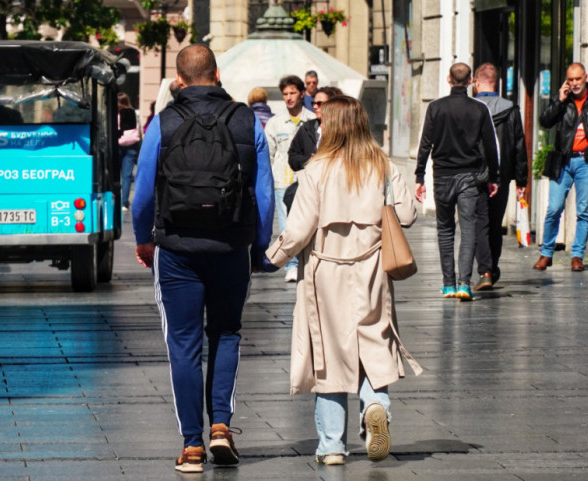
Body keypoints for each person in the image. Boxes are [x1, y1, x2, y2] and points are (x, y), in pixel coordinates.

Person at [131, 44, 275, 473]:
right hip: (231, 246)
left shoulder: (163, 123)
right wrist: (259, 245)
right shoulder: (246, 120)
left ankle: (192, 445)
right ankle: (222, 428)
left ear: (179, 80)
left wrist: (144, 239)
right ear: (216, 74)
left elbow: (141, 192)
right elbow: (264, 194)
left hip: (176, 248)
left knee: (183, 344)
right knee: (227, 333)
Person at [265, 96, 422, 466]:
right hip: (373, 269)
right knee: (373, 344)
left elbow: (299, 228)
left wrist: (272, 258)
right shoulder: (382, 165)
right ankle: (375, 405)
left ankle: (332, 446)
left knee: (329, 357)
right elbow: (409, 215)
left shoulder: (317, 169)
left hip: (326, 272)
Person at [415, 62, 500, 301]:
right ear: (471, 80)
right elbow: (491, 146)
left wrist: (419, 176)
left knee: (445, 229)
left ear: (448, 79)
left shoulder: (435, 108)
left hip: (442, 174)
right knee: (469, 228)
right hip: (469, 176)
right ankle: (465, 283)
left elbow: (425, 144)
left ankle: (448, 284)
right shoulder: (480, 109)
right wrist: (494, 177)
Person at [534, 62, 588, 272]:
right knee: (554, 208)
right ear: (566, 81)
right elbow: (544, 121)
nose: (575, 83)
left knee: (584, 211)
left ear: (585, 77)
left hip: (587, 162)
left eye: (578, 79)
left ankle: (577, 256)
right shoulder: (563, 100)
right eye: (571, 79)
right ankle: (546, 253)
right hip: (563, 161)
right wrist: (558, 101)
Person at [473, 63, 528, 287]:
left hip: (475, 174)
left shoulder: (471, 108)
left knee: (479, 223)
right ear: (496, 83)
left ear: (477, 82)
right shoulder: (511, 109)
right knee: (495, 223)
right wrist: (521, 179)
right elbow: (519, 146)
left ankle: (485, 270)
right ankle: (492, 267)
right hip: (502, 176)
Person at [265, 75, 316, 282]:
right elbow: (269, 153)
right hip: (283, 181)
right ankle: (292, 265)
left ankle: (306, 261)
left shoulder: (312, 120)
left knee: (308, 223)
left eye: (292, 93)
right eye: (285, 94)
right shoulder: (275, 123)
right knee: (288, 224)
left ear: (302, 93)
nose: (288, 97)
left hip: (307, 181)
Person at [288, 86, 343, 172]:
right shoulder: (307, 128)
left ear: (333, 104)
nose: (315, 107)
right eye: (314, 103)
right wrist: (309, 160)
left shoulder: (345, 129)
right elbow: (293, 157)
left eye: (320, 103)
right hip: (310, 181)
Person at [117, 92, 141, 211]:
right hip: (132, 146)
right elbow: (139, 130)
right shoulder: (132, 113)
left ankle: (115, 199)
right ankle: (124, 202)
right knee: (126, 176)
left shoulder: (114, 113)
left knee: (115, 175)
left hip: (117, 145)